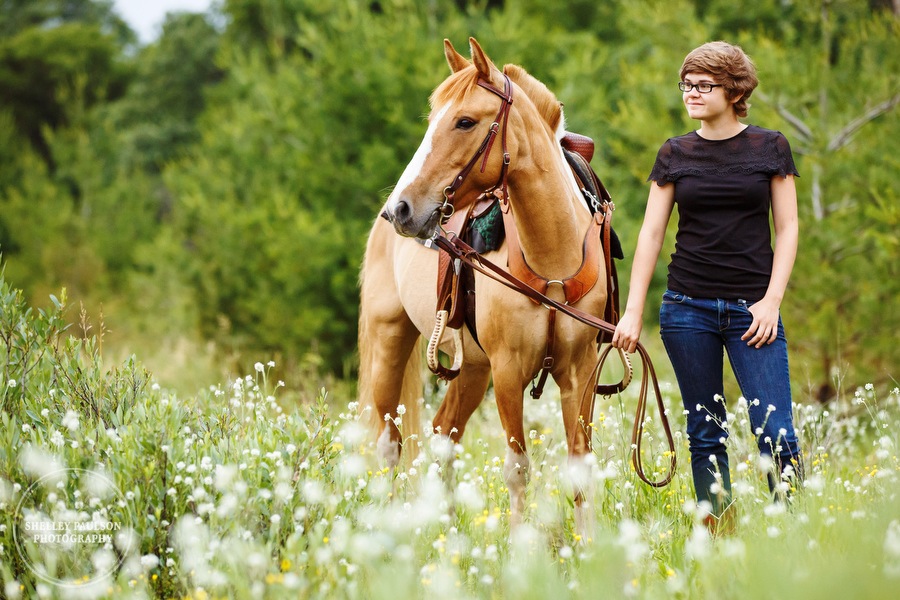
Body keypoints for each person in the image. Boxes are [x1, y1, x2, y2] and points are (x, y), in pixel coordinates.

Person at [611, 41, 803, 530]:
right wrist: (633, 312)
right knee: (705, 430)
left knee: (776, 431)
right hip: (686, 308)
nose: (692, 94)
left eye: (703, 85)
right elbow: (651, 233)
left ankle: (795, 533)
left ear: (733, 90)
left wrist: (771, 302)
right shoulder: (674, 153)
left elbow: (789, 228)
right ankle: (719, 532)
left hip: (752, 311)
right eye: (687, 85)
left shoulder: (770, 147)